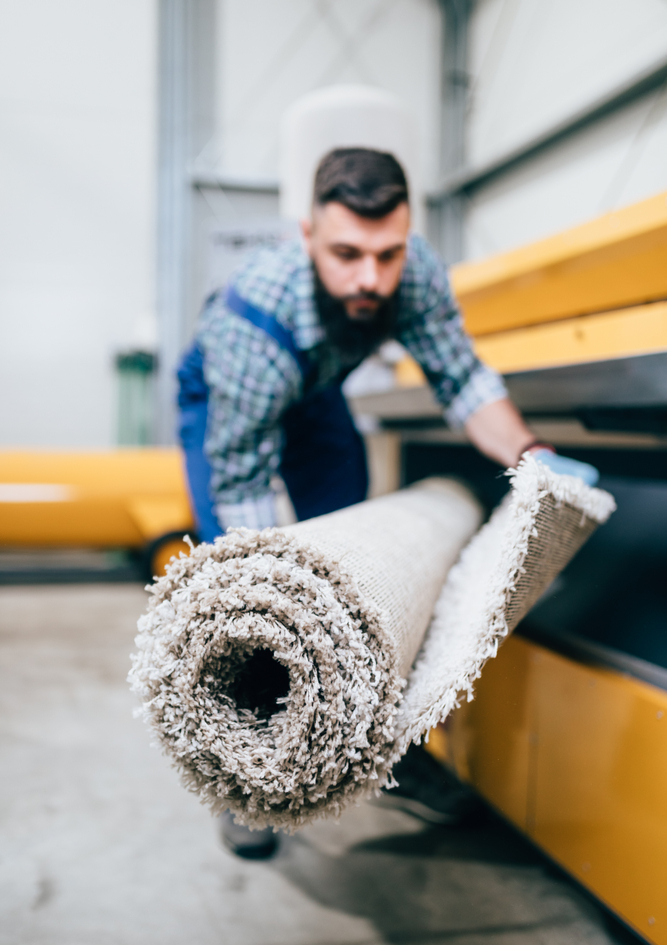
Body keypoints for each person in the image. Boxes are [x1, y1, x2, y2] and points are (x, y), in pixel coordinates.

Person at [177, 148, 598, 860]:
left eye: (387, 253)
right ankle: (250, 770)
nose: (370, 277)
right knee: (243, 583)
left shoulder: (414, 272)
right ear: (306, 237)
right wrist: (283, 603)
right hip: (233, 391)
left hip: (316, 386)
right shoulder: (251, 332)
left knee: (349, 541)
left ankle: (384, 748)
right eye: (346, 254)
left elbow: (460, 376)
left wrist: (532, 458)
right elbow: (243, 482)